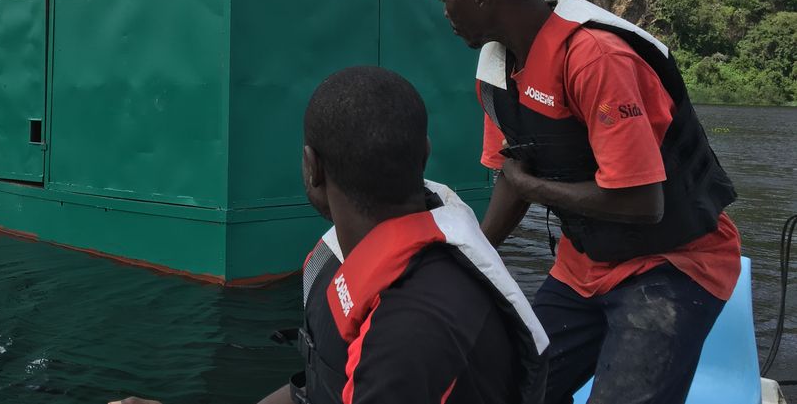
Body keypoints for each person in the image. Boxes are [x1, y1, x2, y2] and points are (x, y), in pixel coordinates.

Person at [429, 0, 741, 404]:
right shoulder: (495, 67)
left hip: (673, 264)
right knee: (506, 389)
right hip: (583, 266)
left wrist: (536, 190)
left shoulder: (596, 58)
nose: (445, 13)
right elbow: (512, 178)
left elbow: (642, 203)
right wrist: (471, 260)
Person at [110, 66, 548, 404]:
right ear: (426, 153)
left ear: (311, 168)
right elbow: (313, 389)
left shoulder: (413, 334)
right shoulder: (343, 257)